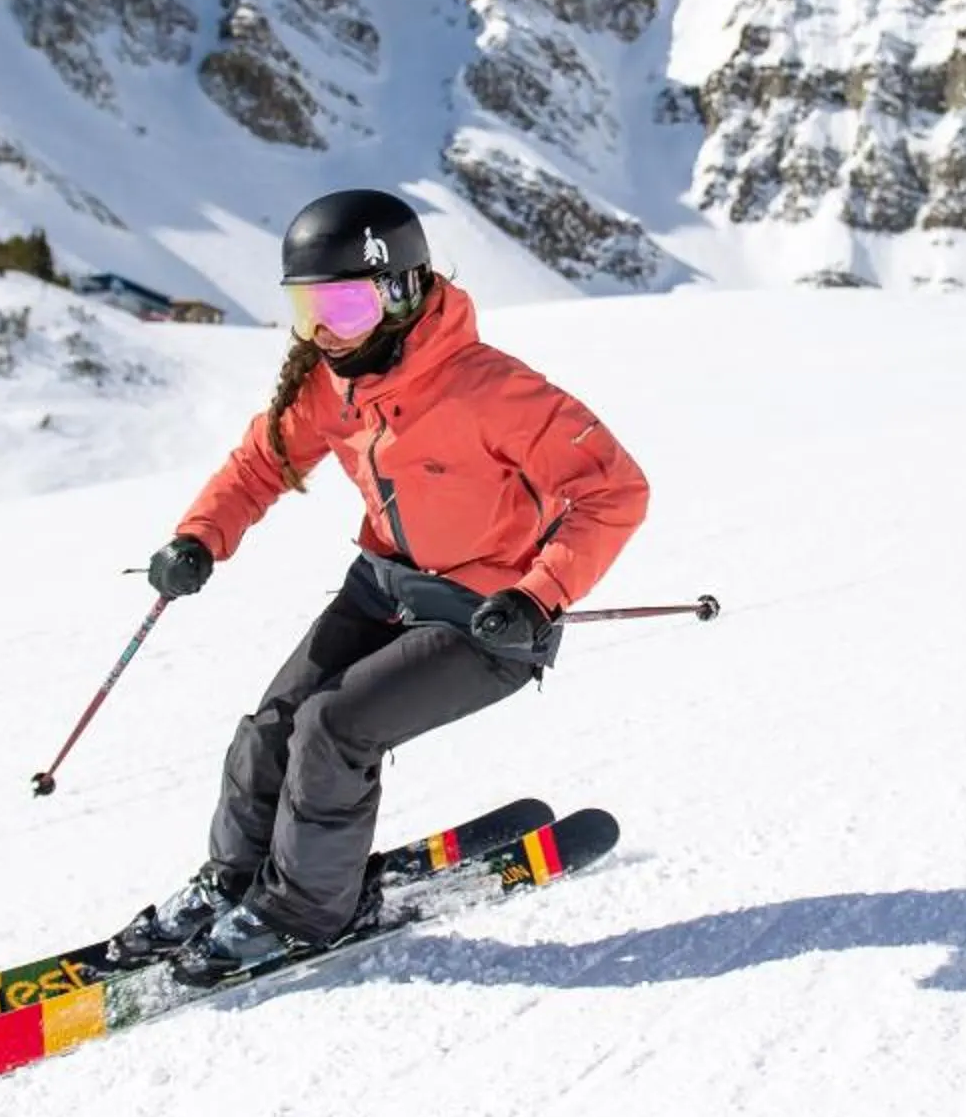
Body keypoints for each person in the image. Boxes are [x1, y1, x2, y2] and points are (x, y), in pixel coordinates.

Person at [107, 186, 650, 982]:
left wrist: (536, 596)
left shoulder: (494, 391)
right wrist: (199, 536)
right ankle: (234, 881)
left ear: (401, 294)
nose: (325, 333)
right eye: (307, 311)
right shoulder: (333, 385)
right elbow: (264, 462)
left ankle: (305, 911)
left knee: (333, 728)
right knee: (271, 727)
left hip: (486, 620)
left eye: (346, 309)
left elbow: (614, 490)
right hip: (384, 587)